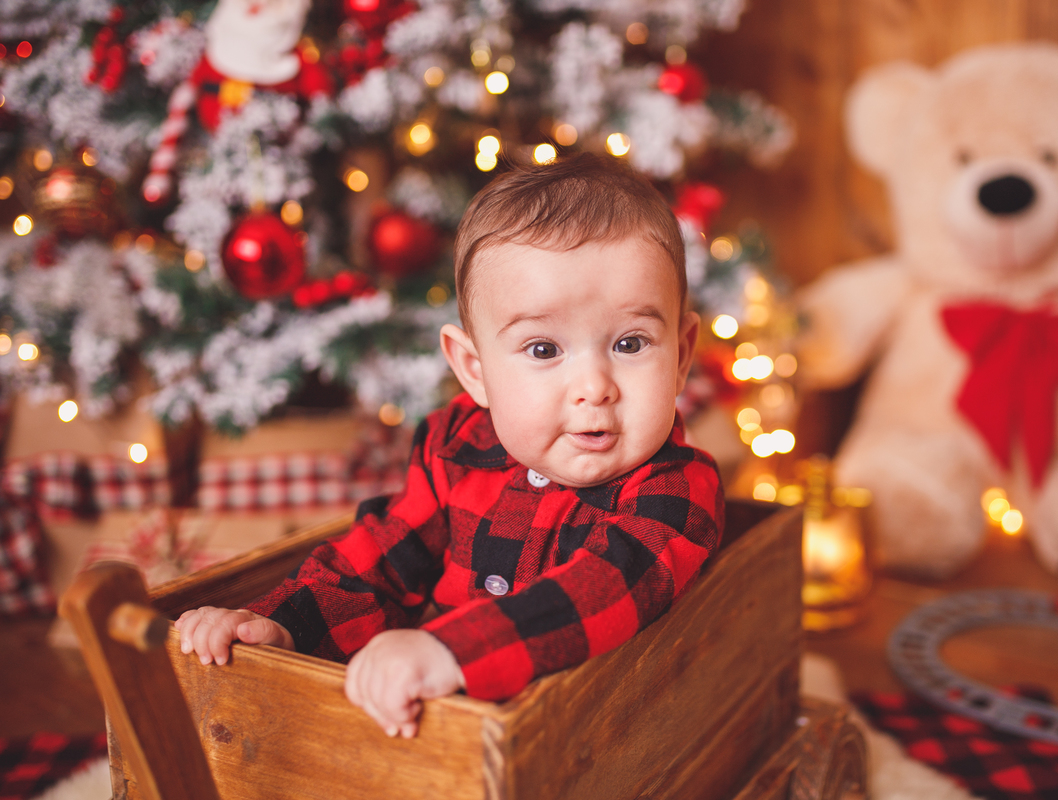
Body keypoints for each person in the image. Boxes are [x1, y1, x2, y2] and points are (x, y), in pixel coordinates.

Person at [175, 152, 725, 738]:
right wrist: (284, 624)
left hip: (576, 739)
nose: (594, 388)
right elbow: (381, 559)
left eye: (631, 343)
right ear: (474, 369)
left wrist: (451, 652)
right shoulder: (457, 445)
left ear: (683, 355)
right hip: (424, 724)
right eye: (543, 350)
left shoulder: (675, 490)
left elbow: (602, 590)